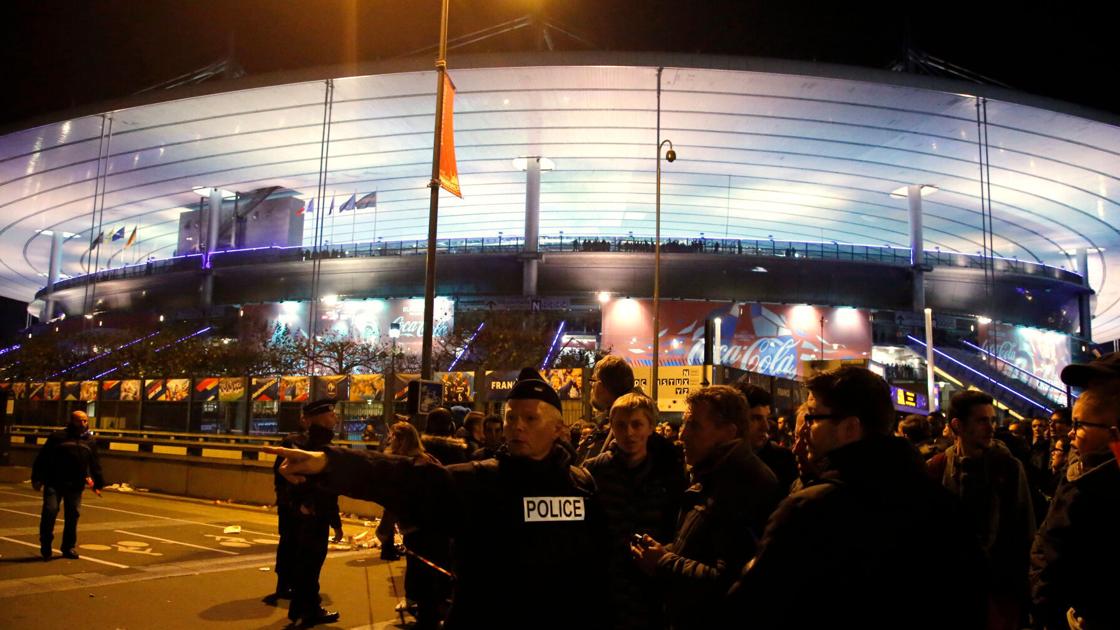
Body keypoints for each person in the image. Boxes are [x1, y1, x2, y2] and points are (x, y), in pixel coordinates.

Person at [266, 368, 610, 630]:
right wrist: (330, 463)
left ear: (557, 428)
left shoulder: (581, 487)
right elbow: (405, 478)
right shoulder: (480, 481)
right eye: (511, 418)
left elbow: (598, 572)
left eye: (530, 418)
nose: (517, 426)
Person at [726, 366, 988, 630]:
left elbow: (751, 608)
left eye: (813, 418)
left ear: (850, 428)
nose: (805, 430)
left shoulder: (810, 511)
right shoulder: (945, 505)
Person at [632, 385, 780, 630]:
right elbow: (703, 550)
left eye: (694, 425)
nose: (682, 435)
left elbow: (729, 579)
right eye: (684, 423)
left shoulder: (744, 483)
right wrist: (666, 551)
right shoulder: (712, 475)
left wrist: (663, 561)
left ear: (729, 432)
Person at [928, 391, 1034, 630]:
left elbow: (1024, 530)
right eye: (982, 421)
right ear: (958, 425)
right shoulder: (937, 467)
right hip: (951, 589)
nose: (991, 427)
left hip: (998, 592)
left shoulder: (1008, 468)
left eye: (992, 420)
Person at [1031, 352, 1120, 630]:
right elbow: (1048, 540)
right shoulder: (1077, 469)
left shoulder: (1100, 479)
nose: (1071, 432)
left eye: (1079, 425)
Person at [584, 392, 687, 630]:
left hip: (651, 590)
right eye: (621, 425)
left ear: (651, 428)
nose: (629, 433)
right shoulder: (593, 472)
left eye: (636, 424)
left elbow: (679, 527)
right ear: (612, 427)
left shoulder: (668, 474)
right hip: (606, 589)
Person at [268, 399, 343, 627]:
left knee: (306, 562)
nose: (335, 417)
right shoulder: (311, 445)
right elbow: (296, 480)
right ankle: (306, 609)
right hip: (311, 513)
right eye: (331, 414)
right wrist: (300, 504)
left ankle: (302, 608)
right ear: (317, 418)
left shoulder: (318, 443)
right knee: (308, 562)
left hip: (310, 511)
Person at [31, 411, 103, 560]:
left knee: (73, 515)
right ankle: (46, 543)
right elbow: (43, 458)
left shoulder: (89, 441)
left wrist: (98, 482)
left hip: (75, 484)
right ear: (71, 421)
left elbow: (94, 463)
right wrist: (37, 478)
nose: (82, 424)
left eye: (85, 421)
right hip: (54, 481)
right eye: (79, 421)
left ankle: (68, 547)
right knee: (50, 510)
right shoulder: (58, 437)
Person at [734, 382, 797, 494]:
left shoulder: (784, 461)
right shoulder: (717, 460)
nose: (766, 427)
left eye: (767, 418)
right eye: (756, 418)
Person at [577, 354, 635, 463]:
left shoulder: (619, 427)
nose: (592, 386)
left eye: (593, 381)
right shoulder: (617, 421)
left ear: (601, 386)